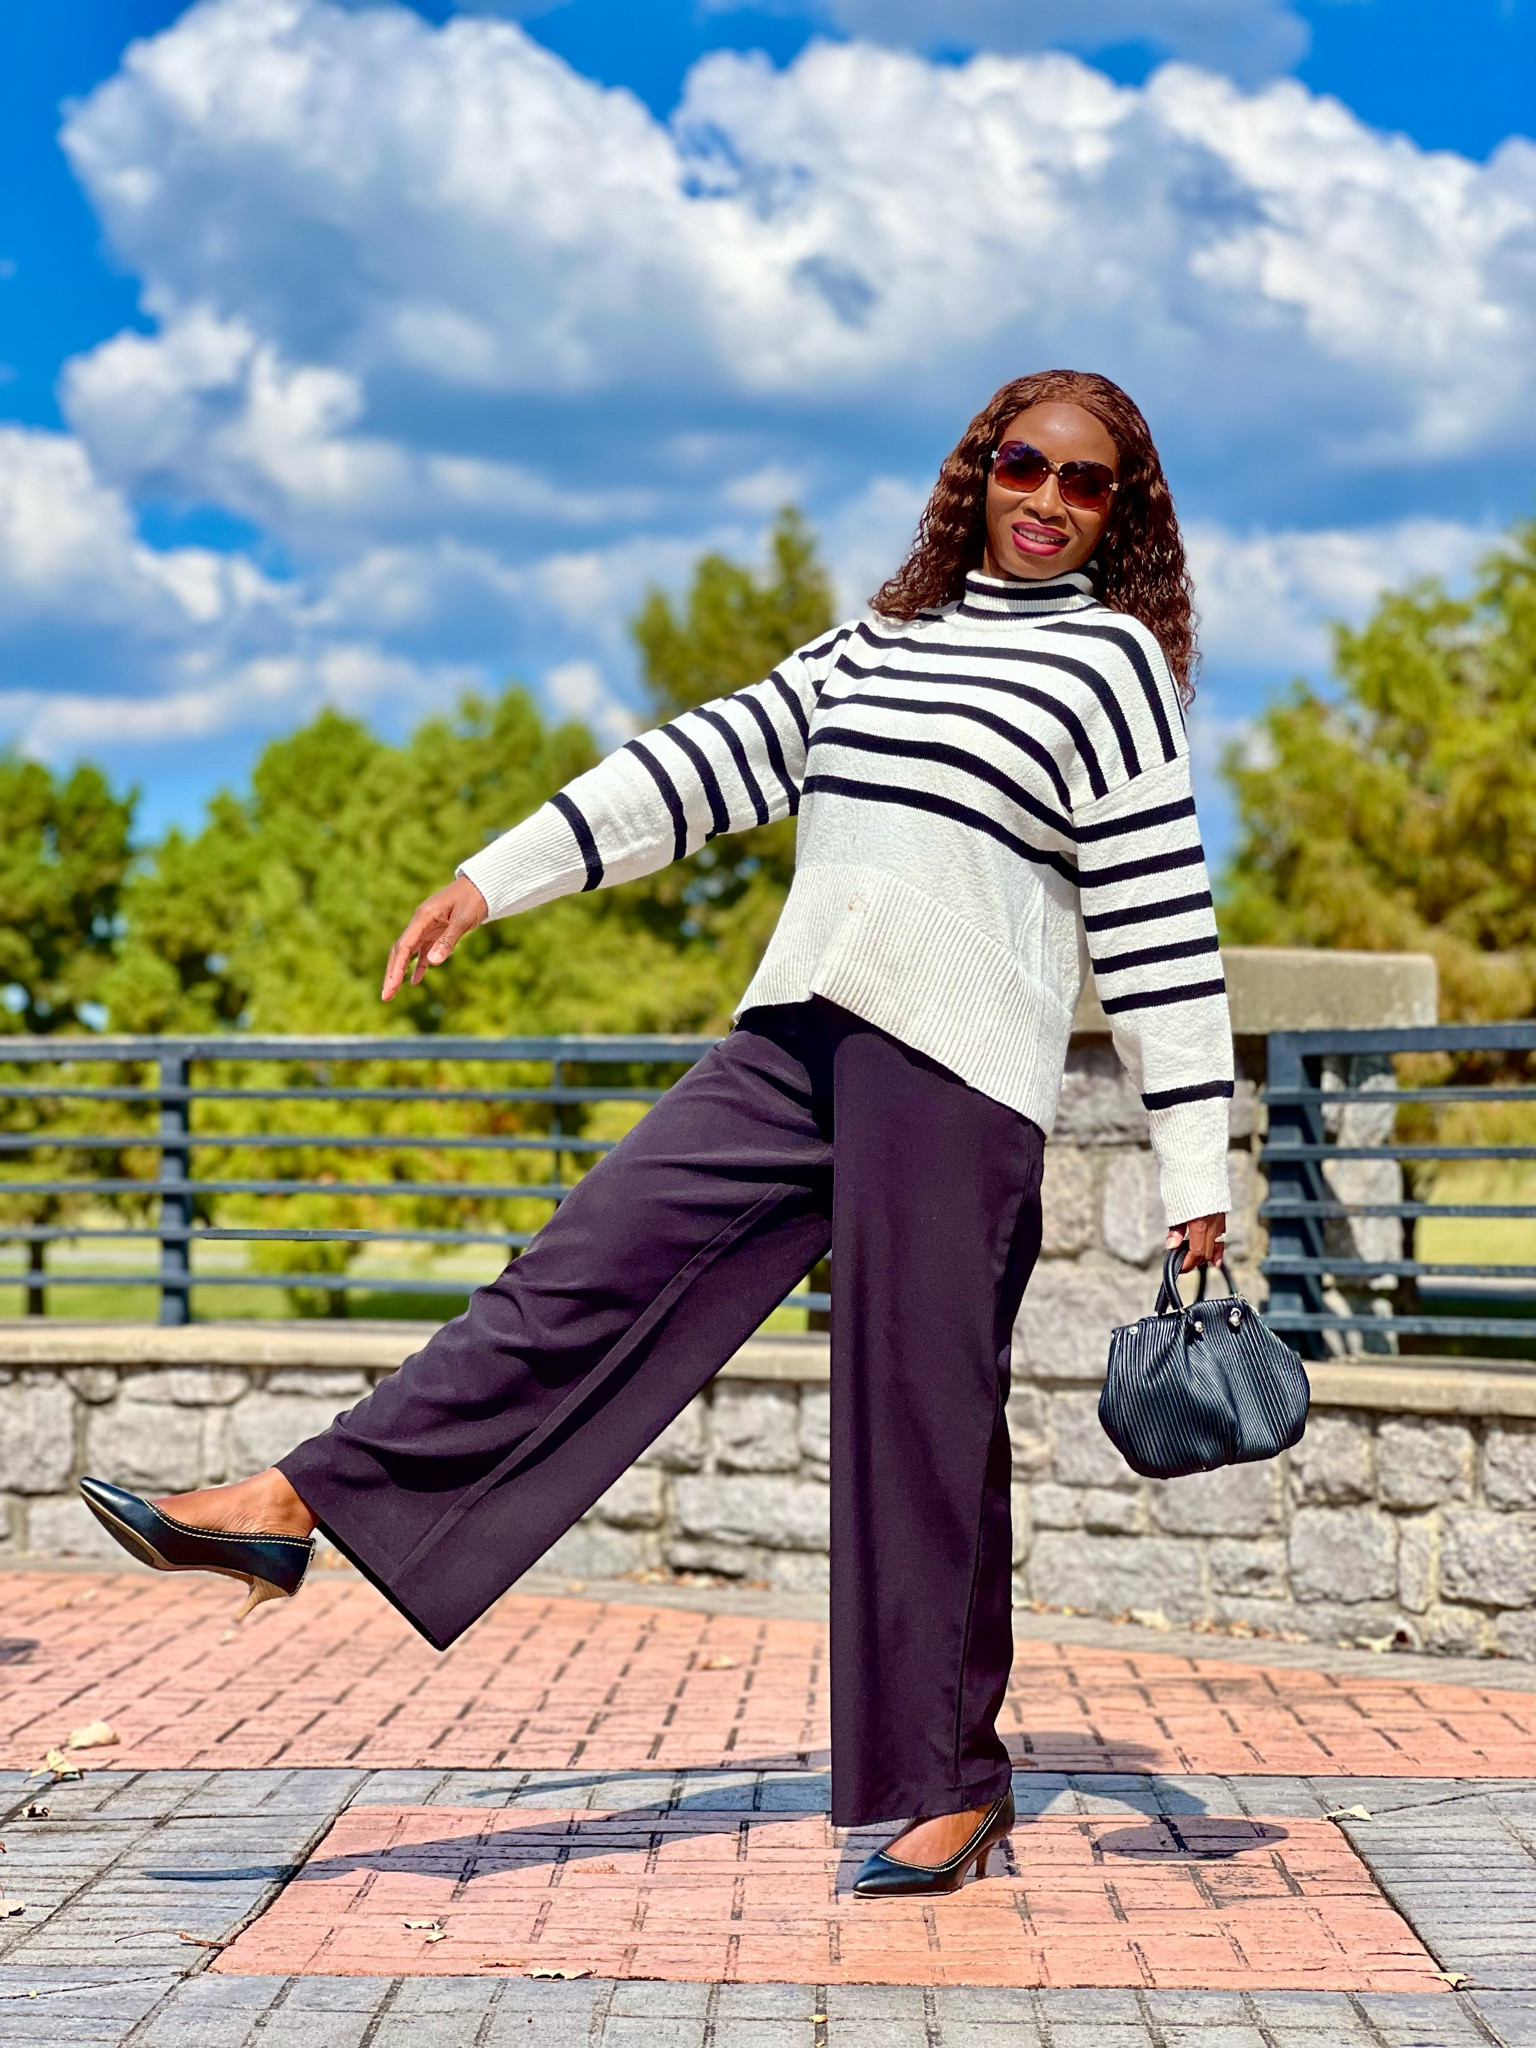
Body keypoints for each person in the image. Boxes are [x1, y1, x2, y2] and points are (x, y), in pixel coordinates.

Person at [81, 368, 1231, 1898]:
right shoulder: (882, 638)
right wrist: (496, 876)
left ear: (1120, 515)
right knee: (573, 1273)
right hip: (798, 1038)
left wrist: (1196, 1171)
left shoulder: (1108, 670)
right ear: (979, 472)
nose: (1047, 502)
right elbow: (704, 760)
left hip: (956, 1083)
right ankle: (296, 1503)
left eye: (1087, 486)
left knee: (920, 1426)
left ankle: (954, 1782)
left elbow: (1161, 924)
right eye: (1025, 466)